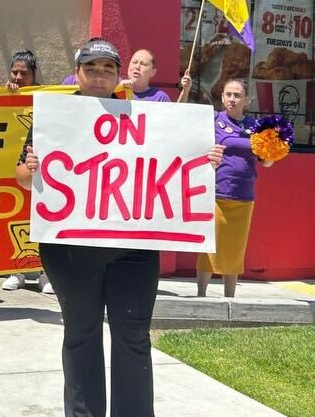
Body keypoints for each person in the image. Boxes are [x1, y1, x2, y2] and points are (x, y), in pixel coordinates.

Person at [16, 38, 223, 417]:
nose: (99, 75)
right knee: (81, 335)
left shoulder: (148, 117)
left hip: (134, 251)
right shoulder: (55, 118)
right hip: (70, 251)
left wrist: (202, 159)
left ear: (118, 75)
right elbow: (22, 178)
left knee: (133, 339)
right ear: (76, 73)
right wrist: (30, 169)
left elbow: (176, 166)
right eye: (90, 68)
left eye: (107, 68)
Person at [196, 78, 273, 299]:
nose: (232, 99)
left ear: (247, 100)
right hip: (216, 193)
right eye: (228, 94)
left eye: (237, 95)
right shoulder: (213, 120)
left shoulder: (256, 127)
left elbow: (265, 162)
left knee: (234, 250)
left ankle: (230, 299)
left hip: (244, 195)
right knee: (209, 246)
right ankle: (201, 295)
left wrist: (275, 151)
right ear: (221, 98)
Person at [1, 50, 54, 294]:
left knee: (42, 221)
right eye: (15, 72)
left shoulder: (47, 97)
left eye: (24, 72)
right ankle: (16, 271)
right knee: (15, 220)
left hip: (39, 170)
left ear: (35, 75)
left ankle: (45, 273)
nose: (19, 76)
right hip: (9, 169)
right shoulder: (5, 92)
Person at [124, 48, 192, 103]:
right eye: (134, 62)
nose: (137, 67)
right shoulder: (115, 91)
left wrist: (185, 90)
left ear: (153, 72)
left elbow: (175, 117)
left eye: (143, 64)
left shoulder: (160, 98)